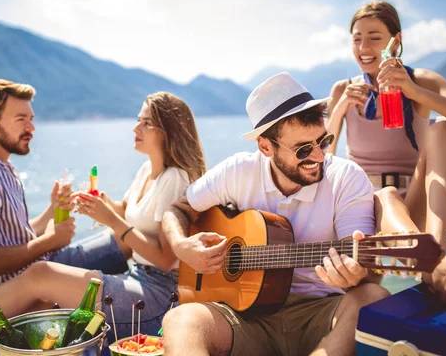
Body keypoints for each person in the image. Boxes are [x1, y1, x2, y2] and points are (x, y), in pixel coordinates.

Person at [0, 91, 206, 356]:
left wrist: (110, 219)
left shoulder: (174, 178)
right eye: (138, 120)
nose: (135, 127)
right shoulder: (146, 171)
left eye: (146, 123)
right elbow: (125, 211)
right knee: (42, 309)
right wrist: (95, 203)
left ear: (168, 131)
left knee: (42, 274)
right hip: (137, 276)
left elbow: (167, 259)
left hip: (155, 298)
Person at [160, 72, 391, 356]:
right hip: (245, 317)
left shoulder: (346, 178)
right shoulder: (237, 172)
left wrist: (355, 276)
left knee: (372, 298)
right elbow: (177, 209)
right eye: (303, 149)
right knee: (180, 320)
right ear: (266, 146)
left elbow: (361, 266)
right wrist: (183, 246)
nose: (318, 156)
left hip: (323, 312)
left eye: (323, 141)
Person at [325, 1, 446, 302]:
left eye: (375, 37)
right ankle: (436, 266)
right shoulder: (343, 89)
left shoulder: (419, 80)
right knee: (385, 195)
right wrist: (339, 111)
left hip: (414, 206)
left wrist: (417, 93)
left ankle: (434, 256)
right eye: (357, 38)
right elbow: (318, 159)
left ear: (396, 41)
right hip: (361, 214)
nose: (364, 47)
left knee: (442, 129)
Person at [0, 78, 130, 297]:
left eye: (30, 119)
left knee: (124, 240)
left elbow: (12, 234)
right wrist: (49, 242)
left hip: (36, 268)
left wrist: (53, 210)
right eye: (21, 119)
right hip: (21, 292)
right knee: (126, 249)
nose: (31, 128)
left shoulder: (0, 167)